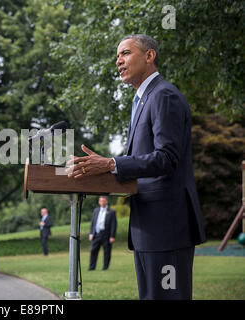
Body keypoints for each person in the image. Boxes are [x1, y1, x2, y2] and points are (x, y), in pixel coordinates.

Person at [66, 34, 206, 300]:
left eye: (126, 53)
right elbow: (142, 160)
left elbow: (167, 158)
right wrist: (105, 167)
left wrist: (110, 163)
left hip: (167, 227)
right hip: (148, 226)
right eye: (117, 56)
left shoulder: (164, 95)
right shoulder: (142, 99)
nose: (118, 61)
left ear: (149, 56)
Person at [88, 196, 117, 270]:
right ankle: (92, 267)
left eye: (104, 201)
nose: (102, 202)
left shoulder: (111, 212)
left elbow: (114, 224)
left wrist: (112, 236)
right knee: (93, 250)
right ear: (99, 202)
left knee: (107, 252)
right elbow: (93, 223)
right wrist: (91, 233)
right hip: (96, 234)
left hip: (106, 235)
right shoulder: (96, 210)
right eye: (101, 201)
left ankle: (105, 267)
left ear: (106, 201)